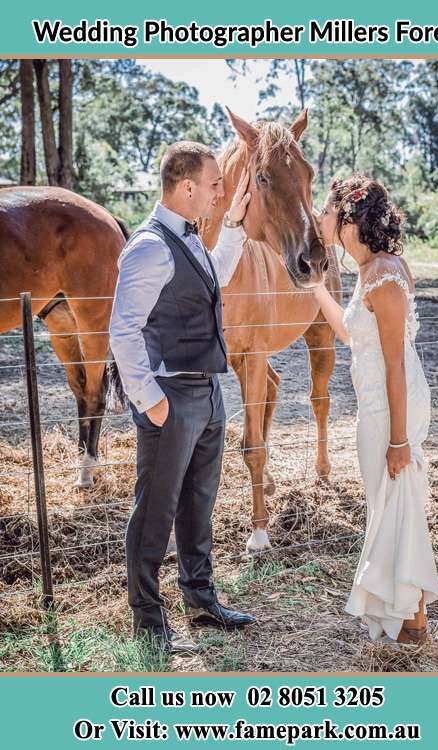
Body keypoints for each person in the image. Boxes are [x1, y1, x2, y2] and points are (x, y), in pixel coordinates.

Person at [110, 141, 256, 655]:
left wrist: (234, 225)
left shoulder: (191, 238)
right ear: (188, 187)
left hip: (207, 391)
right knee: (155, 511)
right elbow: (123, 330)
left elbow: (213, 275)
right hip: (170, 395)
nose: (220, 192)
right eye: (216, 184)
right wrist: (150, 400)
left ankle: (200, 598)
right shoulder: (149, 246)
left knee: (199, 504)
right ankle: (148, 623)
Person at [313, 175, 438, 645]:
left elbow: (395, 363)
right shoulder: (370, 268)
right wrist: (314, 288)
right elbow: (352, 335)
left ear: (347, 219)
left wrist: (399, 440)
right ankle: (406, 614)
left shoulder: (386, 276)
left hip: (393, 407)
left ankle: (414, 621)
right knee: (389, 505)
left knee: (396, 502)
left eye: (325, 211)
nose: (319, 218)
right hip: (377, 404)